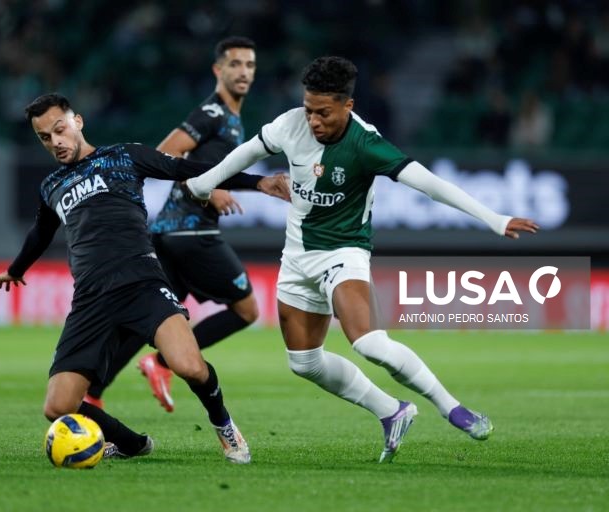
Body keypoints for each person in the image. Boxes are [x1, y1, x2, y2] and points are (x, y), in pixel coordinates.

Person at [186, 56, 539, 462]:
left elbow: (430, 183)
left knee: (369, 342)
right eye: (308, 110)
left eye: (323, 112)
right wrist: (204, 182)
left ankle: (453, 407)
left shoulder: (366, 143)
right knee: (304, 363)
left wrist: (494, 219)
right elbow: (243, 156)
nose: (314, 121)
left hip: (345, 253)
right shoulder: (289, 124)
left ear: (347, 106)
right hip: (297, 255)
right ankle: (392, 411)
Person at [0, 92, 289, 463]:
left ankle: (224, 425)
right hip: (90, 299)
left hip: (142, 284)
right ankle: (131, 443)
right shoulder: (51, 185)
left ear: (77, 121)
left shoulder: (124, 156)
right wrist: (16, 270)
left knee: (190, 367)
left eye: (59, 129)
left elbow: (189, 171)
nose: (56, 142)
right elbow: (40, 233)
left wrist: (259, 183)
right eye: (45, 137)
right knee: (57, 405)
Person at [85, 36, 262, 413]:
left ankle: (91, 394)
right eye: (235, 64)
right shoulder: (212, 114)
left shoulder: (232, 118)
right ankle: (163, 363)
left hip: (168, 234)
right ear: (218, 70)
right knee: (246, 309)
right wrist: (209, 189)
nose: (243, 71)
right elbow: (165, 154)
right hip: (192, 232)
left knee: (146, 319)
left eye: (249, 65)